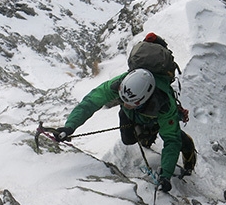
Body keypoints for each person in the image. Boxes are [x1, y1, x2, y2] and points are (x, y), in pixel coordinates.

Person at [54, 53, 196, 193]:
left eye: (131, 103)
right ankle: (147, 135)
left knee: (173, 136)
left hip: (155, 118)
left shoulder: (165, 107)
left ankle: (184, 147)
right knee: (129, 140)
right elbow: (91, 101)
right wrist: (70, 126)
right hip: (133, 116)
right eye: (123, 100)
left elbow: (171, 141)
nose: (126, 104)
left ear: (144, 99)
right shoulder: (121, 84)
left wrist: (166, 175)